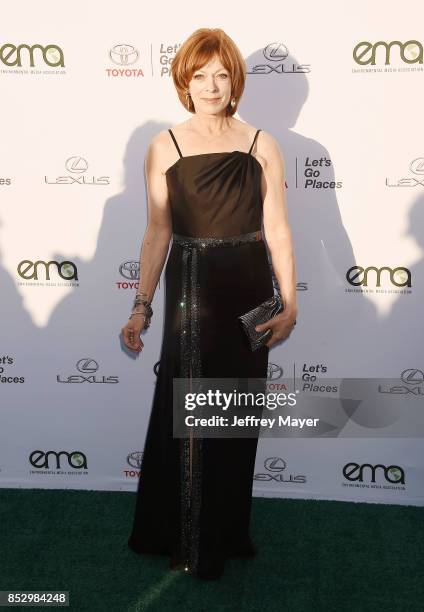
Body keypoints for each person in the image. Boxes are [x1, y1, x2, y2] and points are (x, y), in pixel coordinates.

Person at [122, 27, 297, 580]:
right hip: (192, 291)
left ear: (235, 79)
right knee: (191, 415)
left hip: (249, 292)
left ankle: (226, 532)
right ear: (184, 81)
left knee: (237, 417)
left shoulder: (261, 144)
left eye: (222, 73)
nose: (212, 85)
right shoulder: (165, 146)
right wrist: (141, 306)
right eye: (200, 75)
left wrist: (288, 302)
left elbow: (279, 231)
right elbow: (156, 234)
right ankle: (188, 540)